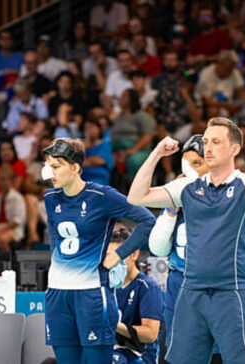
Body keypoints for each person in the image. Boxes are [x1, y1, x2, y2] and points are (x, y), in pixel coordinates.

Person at [127, 117, 245, 363]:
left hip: (232, 293)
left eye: (216, 142)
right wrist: (156, 153)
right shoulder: (187, 186)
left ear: (234, 149)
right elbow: (136, 197)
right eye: (206, 141)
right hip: (191, 294)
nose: (207, 147)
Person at [42, 138, 156, 364]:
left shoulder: (102, 196)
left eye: (56, 166)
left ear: (75, 168)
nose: (49, 172)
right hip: (57, 293)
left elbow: (147, 220)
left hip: (91, 292)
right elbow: (53, 234)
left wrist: (119, 254)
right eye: (47, 165)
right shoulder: (50, 197)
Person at [147, 135, 209, 350]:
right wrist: (172, 208)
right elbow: (158, 248)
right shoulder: (176, 196)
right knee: (174, 351)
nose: (191, 170)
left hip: (213, 285)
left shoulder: (226, 196)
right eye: (187, 164)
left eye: (197, 164)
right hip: (179, 284)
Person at [109, 228, 163, 364]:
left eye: (119, 255)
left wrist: (115, 324)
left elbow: (151, 334)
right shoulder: (104, 284)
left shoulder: (147, 287)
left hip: (138, 355)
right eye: (109, 255)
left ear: (134, 254)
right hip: (108, 348)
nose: (113, 261)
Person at [110, 89, 156, 178]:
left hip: (139, 149)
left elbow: (148, 135)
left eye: (124, 96)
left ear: (131, 100)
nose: (120, 98)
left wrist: (134, 149)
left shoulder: (142, 116)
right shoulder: (118, 117)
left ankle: (135, 186)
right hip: (117, 149)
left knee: (133, 161)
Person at [195, 50, 245, 118]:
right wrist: (226, 105)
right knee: (213, 110)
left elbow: (242, 93)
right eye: (228, 68)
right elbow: (206, 100)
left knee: (241, 108)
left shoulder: (234, 72)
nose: (230, 72)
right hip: (207, 106)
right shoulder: (206, 74)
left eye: (232, 68)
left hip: (227, 105)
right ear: (220, 63)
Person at [0, 166, 27, 251]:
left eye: (4, 179)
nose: (2, 182)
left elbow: (17, 222)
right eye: (0, 179)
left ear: (11, 181)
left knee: (2, 239)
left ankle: (10, 263)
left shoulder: (17, 198)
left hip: (13, 229)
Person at [82, 119, 114, 186]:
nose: (89, 130)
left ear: (99, 128)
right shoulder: (82, 146)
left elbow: (100, 160)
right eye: (86, 128)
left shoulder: (105, 144)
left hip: (98, 177)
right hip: (82, 177)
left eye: (92, 127)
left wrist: (83, 162)